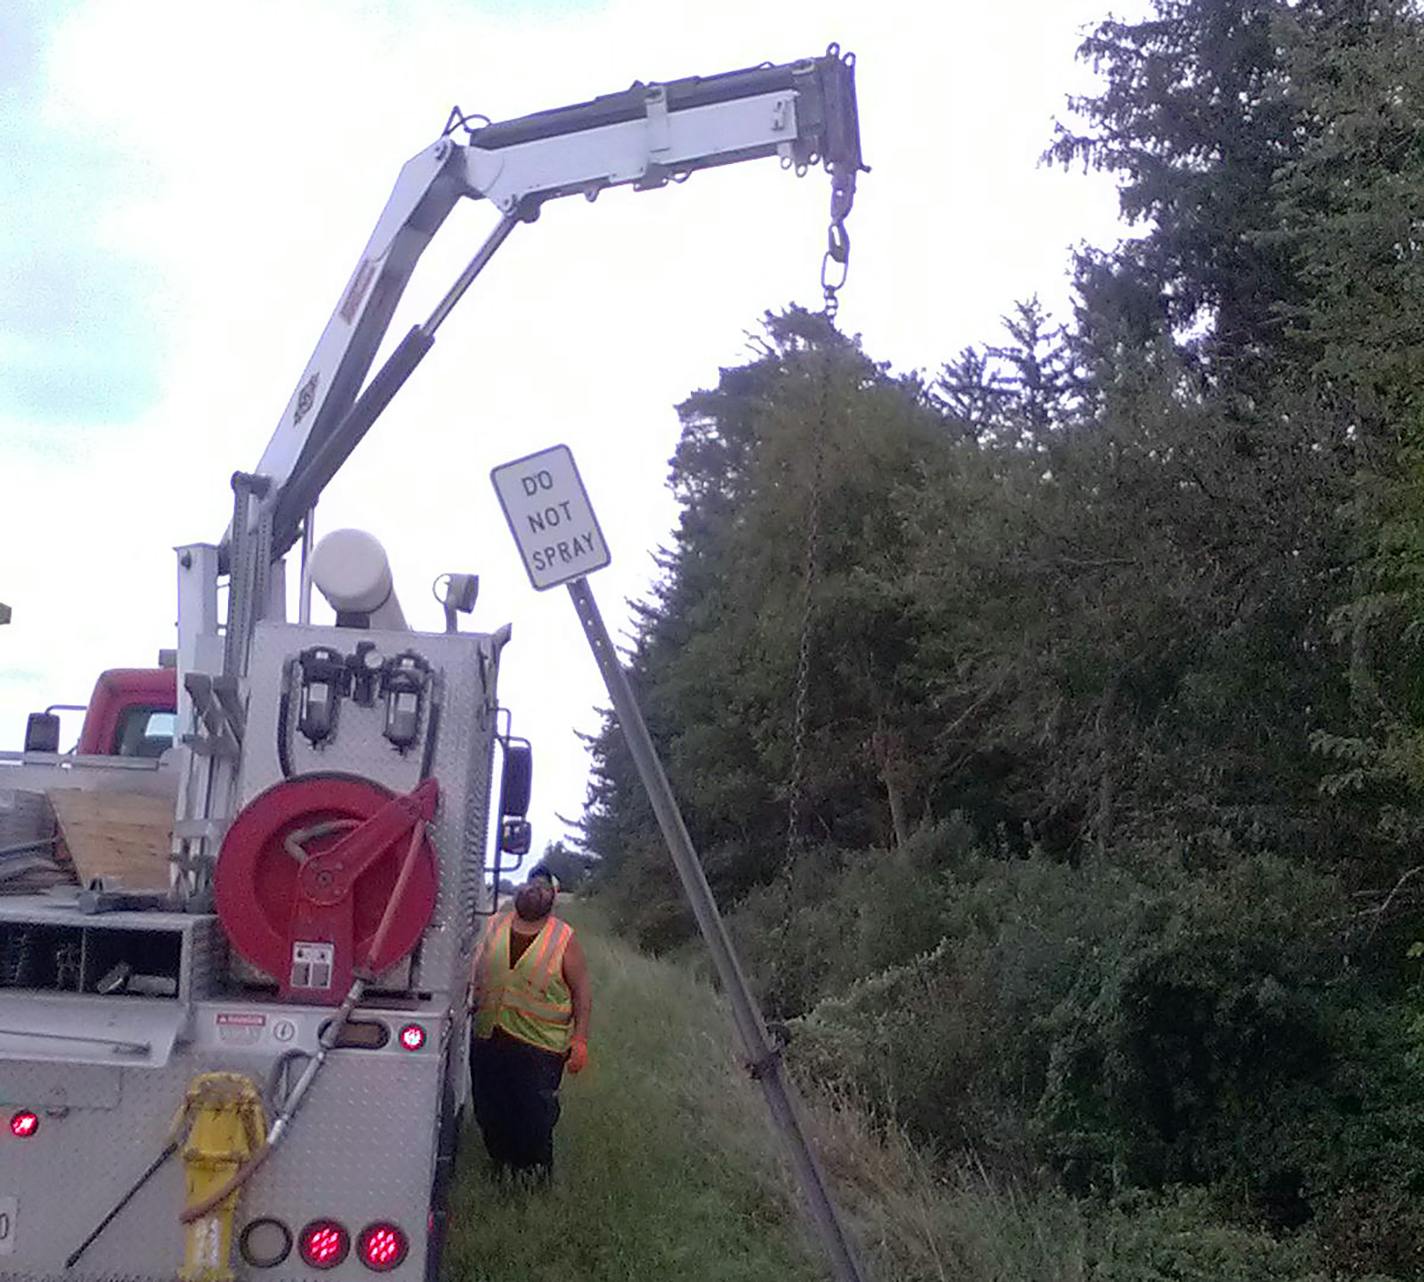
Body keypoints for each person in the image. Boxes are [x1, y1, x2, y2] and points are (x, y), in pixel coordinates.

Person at [467, 863, 591, 1180]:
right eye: (531, 883)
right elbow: (473, 969)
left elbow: (581, 993)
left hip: (539, 1046)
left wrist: (580, 1040)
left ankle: (533, 1179)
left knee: (534, 1116)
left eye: (543, 886)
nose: (535, 889)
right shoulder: (494, 924)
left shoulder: (564, 938)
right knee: (490, 1110)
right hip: (488, 1036)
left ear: (553, 895)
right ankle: (500, 1169)